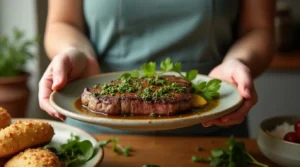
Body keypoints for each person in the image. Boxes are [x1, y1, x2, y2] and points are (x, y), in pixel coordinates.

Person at [39, 0, 275, 137]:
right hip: (95, 131)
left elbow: (259, 29)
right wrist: (74, 52)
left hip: (213, 126)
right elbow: (62, 23)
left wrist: (240, 62)